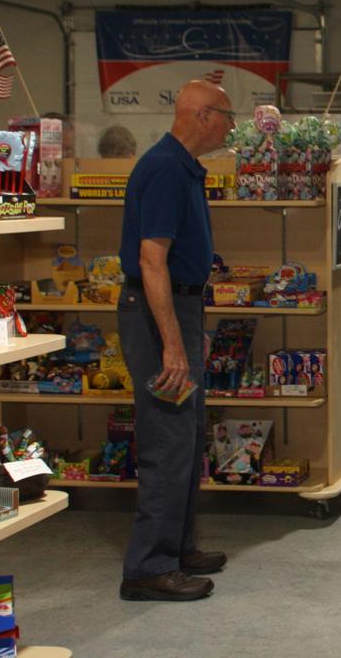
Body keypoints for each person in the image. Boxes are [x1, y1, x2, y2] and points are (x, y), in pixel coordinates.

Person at [117, 80, 235, 601]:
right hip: (156, 312)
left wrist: (189, 330)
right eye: (228, 117)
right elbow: (151, 260)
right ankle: (148, 566)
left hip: (180, 308)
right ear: (204, 115)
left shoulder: (182, 167)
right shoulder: (166, 168)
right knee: (167, 439)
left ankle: (178, 546)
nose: (232, 127)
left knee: (185, 434)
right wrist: (171, 344)